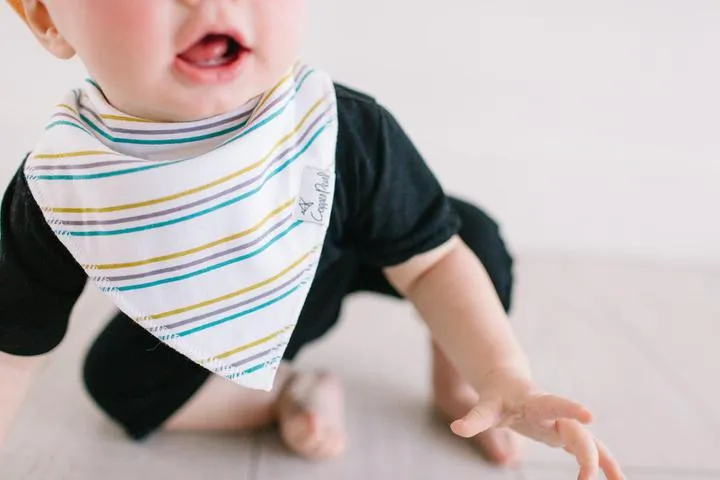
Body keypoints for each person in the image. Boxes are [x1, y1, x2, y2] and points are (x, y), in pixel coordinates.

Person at [0, 1, 624, 478]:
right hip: (222, 301)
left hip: (353, 246)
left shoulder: (337, 126)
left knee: (472, 241)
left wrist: (505, 377)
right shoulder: (66, 183)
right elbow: (12, 343)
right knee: (116, 386)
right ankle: (282, 396)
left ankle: (463, 389)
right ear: (45, 16)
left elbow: (431, 267)